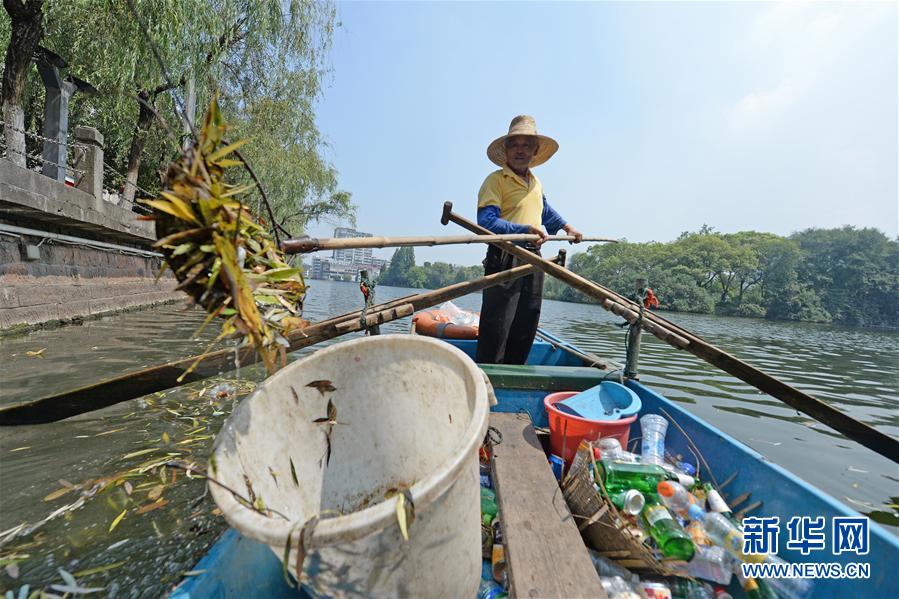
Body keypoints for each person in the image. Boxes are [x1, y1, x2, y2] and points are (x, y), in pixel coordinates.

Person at [475, 115, 582, 364]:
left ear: (534, 151)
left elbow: (544, 210)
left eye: (526, 145)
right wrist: (524, 230)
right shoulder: (495, 181)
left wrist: (567, 227)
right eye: (514, 145)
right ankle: (489, 379)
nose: (520, 150)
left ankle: (516, 374)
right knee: (497, 324)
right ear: (506, 150)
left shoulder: (535, 183)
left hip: (533, 259)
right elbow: (487, 222)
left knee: (527, 321)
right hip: (504, 257)